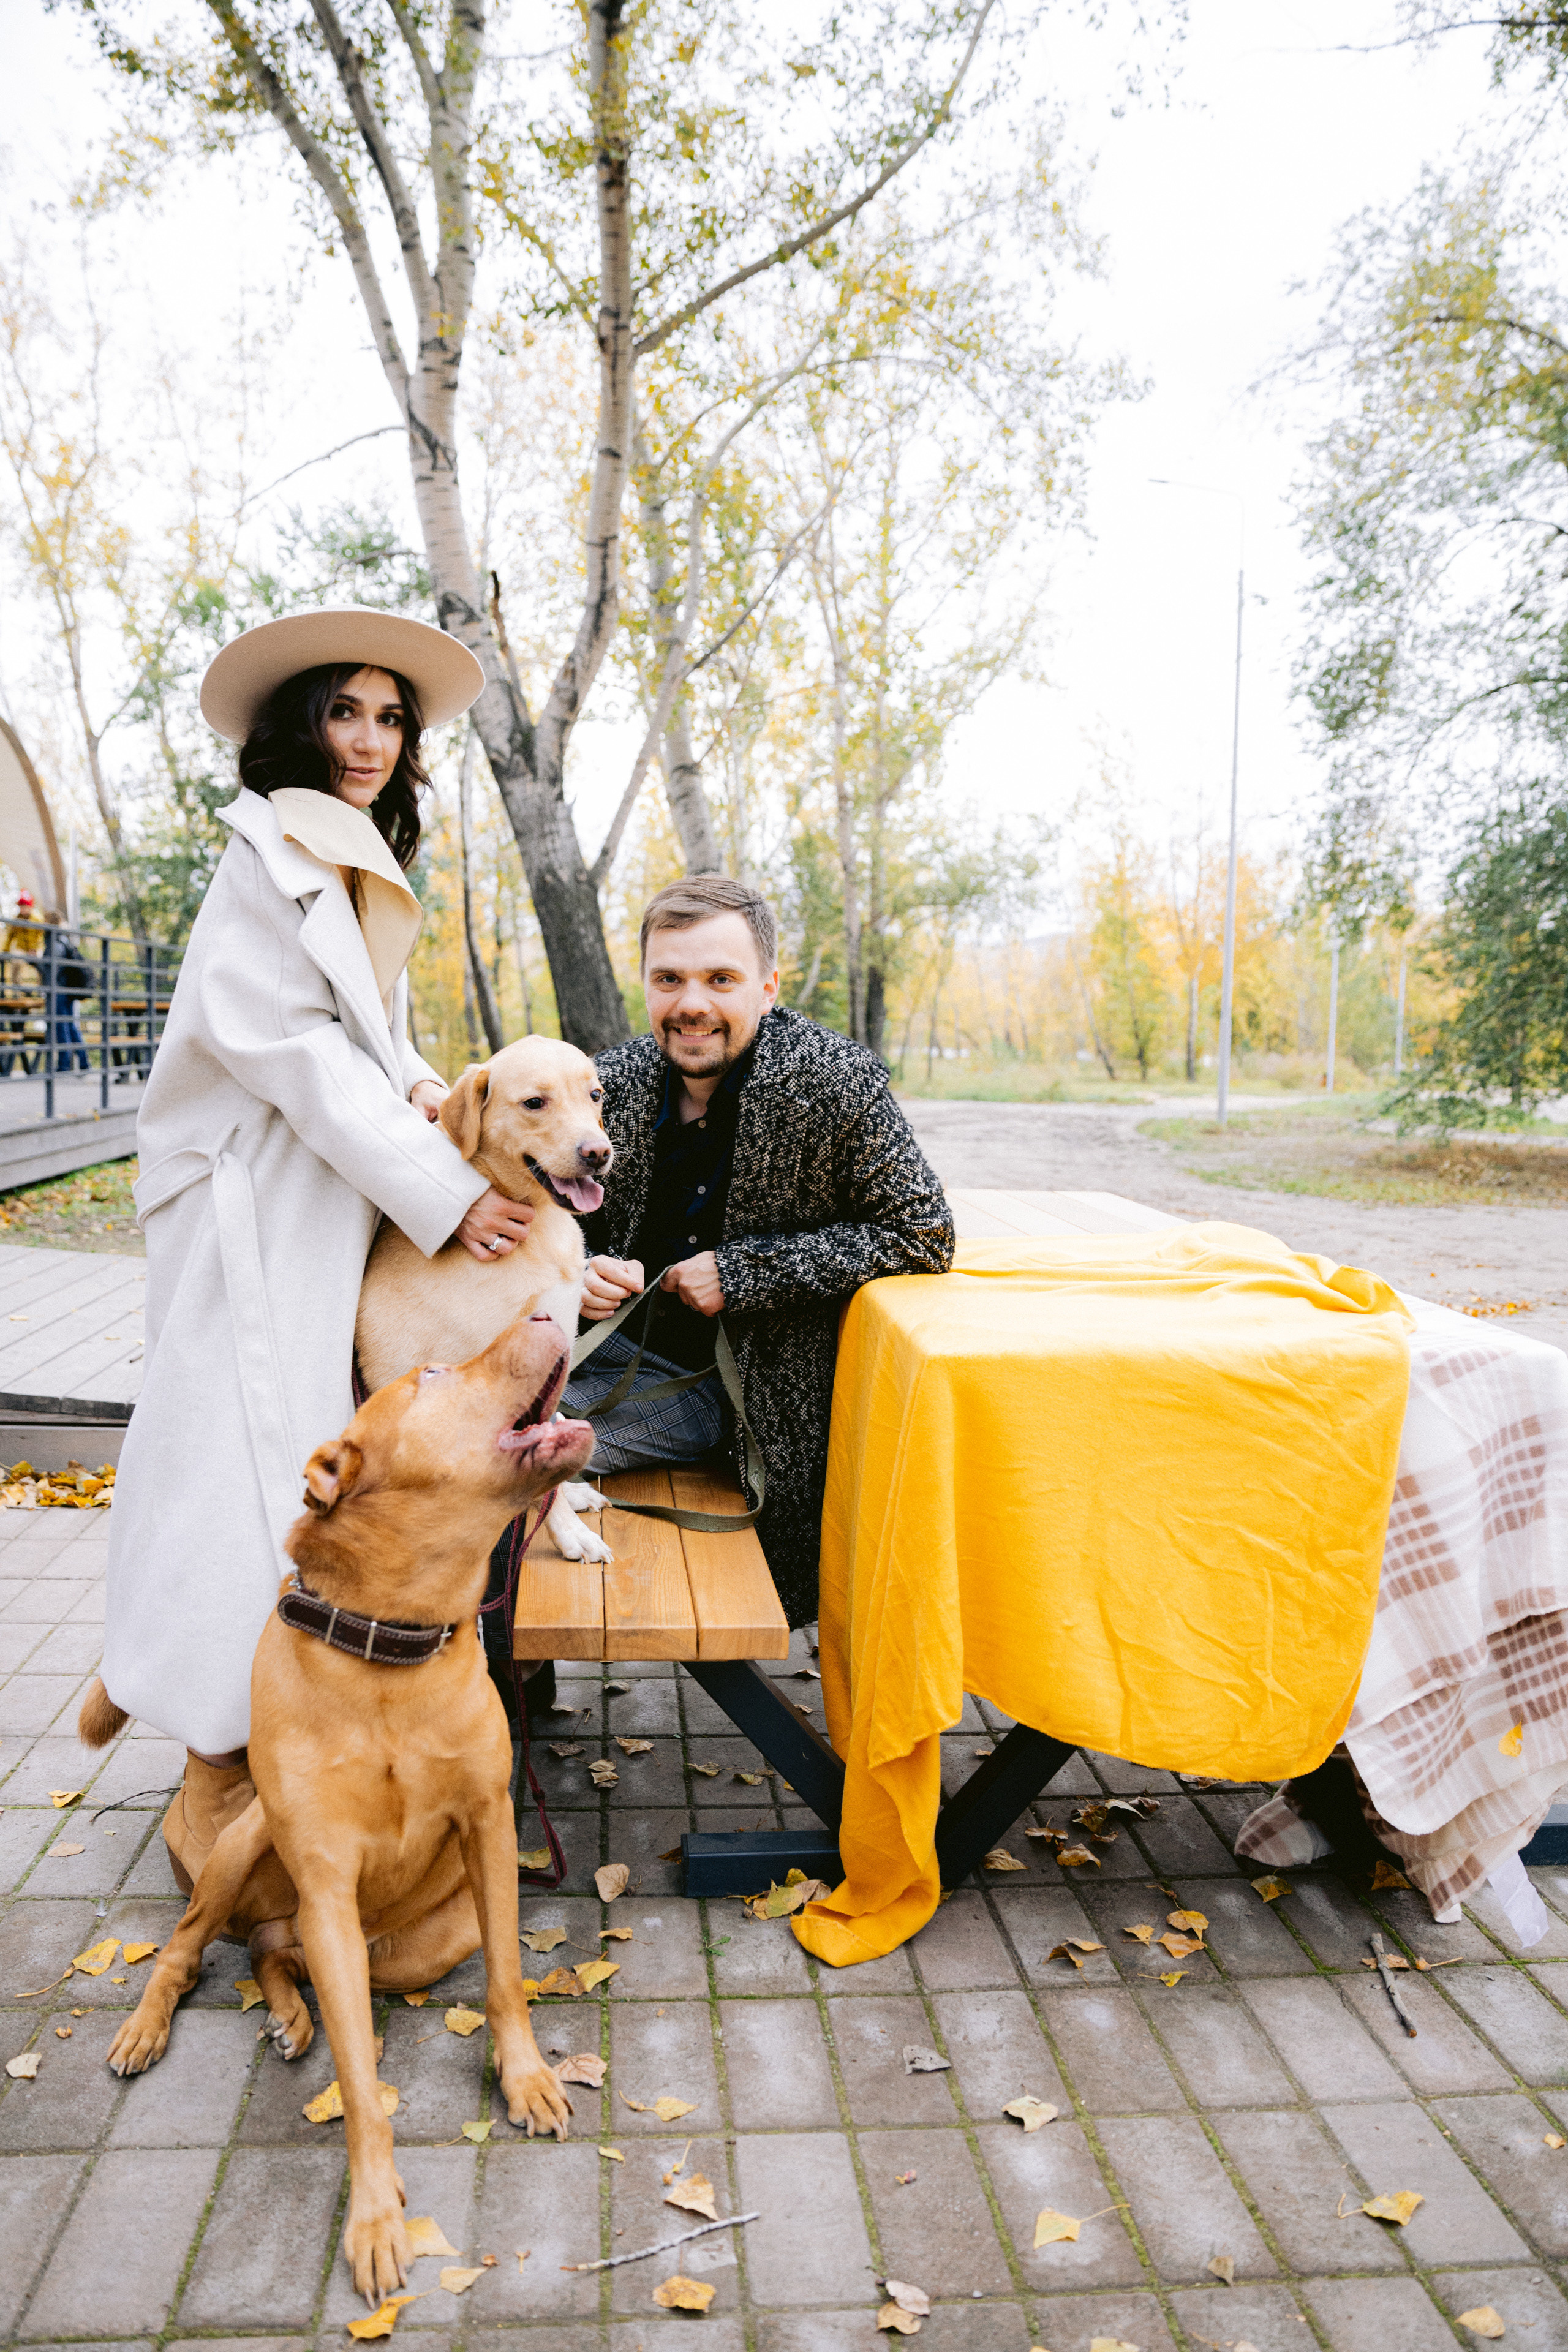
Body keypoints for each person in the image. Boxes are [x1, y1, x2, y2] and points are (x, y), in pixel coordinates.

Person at [99, 608, 537, 1888]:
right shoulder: (264, 855)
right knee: (238, 1460)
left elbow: (364, 1038)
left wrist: (426, 1101)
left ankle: (270, 1757)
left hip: (309, 1194)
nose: (369, 740)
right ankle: (216, 1769)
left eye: (389, 717)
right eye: (344, 712)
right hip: (246, 1206)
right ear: (300, 726)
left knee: (295, 1451)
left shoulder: (340, 855)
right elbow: (287, 1052)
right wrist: (441, 1195)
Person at [567, 875, 955, 1628]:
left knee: (518, 1454)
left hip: (750, 1390)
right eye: (669, 979)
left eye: (721, 979)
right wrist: (578, 1271)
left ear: (768, 987)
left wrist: (745, 1274)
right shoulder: (605, 1081)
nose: (692, 1004)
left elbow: (923, 1233)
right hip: (609, 1354)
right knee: (462, 1422)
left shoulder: (836, 1082)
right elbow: (559, 1217)